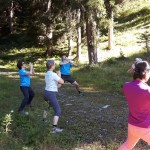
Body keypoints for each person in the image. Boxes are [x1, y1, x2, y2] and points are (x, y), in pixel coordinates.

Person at [118, 61, 150, 150]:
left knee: (127, 145)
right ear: (146, 73)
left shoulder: (126, 86)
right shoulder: (147, 90)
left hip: (132, 125)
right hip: (145, 127)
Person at [43, 60, 64, 133]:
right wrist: (59, 75)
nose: (55, 66)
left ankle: (44, 121)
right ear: (52, 66)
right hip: (51, 94)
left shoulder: (46, 74)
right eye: (54, 64)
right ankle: (54, 128)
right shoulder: (53, 74)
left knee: (48, 107)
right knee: (58, 110)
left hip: (46, 92)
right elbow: (62, 81)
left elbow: (58, 85)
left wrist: (58, 76)